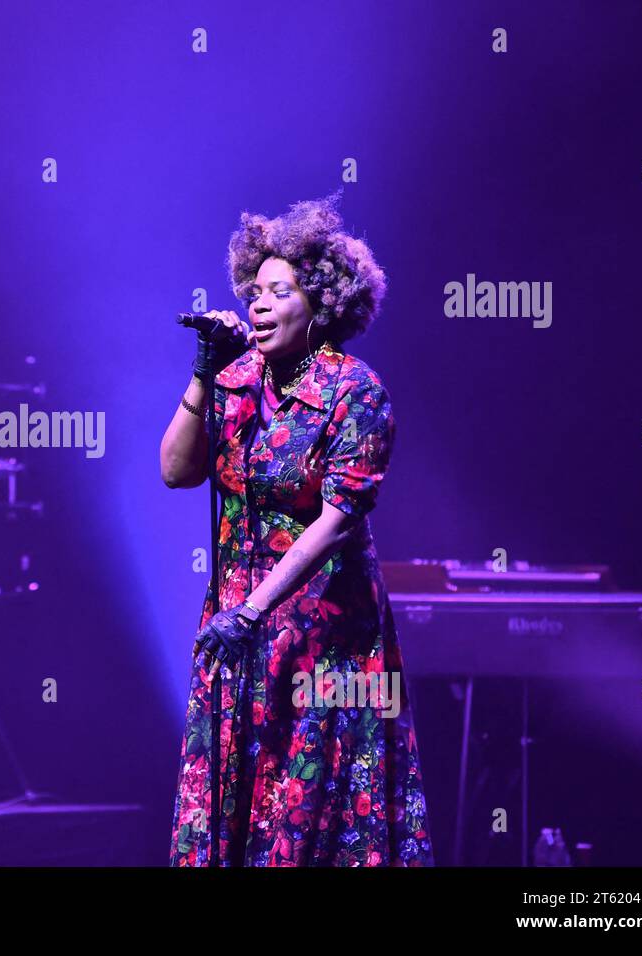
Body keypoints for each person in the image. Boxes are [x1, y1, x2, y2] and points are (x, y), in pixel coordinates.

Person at [161, 191, 433, 866]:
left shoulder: (357, 392)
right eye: (253, 290)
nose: (256, 303)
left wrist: (252, 609)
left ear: (320, 303)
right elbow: (174, 470)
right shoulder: (237, 380)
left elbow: (338, 524)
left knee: (309, 812)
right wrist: (203, 375)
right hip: (240, 637)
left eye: (277, 292)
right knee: (237, 809)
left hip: (323, 642)